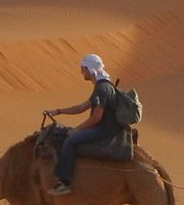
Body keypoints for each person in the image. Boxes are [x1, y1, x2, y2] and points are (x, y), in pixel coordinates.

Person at [44, 53, 124, 197]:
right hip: (105, 127)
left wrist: (77, 130)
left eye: (83, 69)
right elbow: (81, 107)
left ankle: (64, 183)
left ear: (89, 69)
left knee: (70, 140)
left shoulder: (102, 89)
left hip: (105, 130)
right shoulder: (103, 86)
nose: (81, 72)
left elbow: (97, 117)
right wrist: (58, 111)